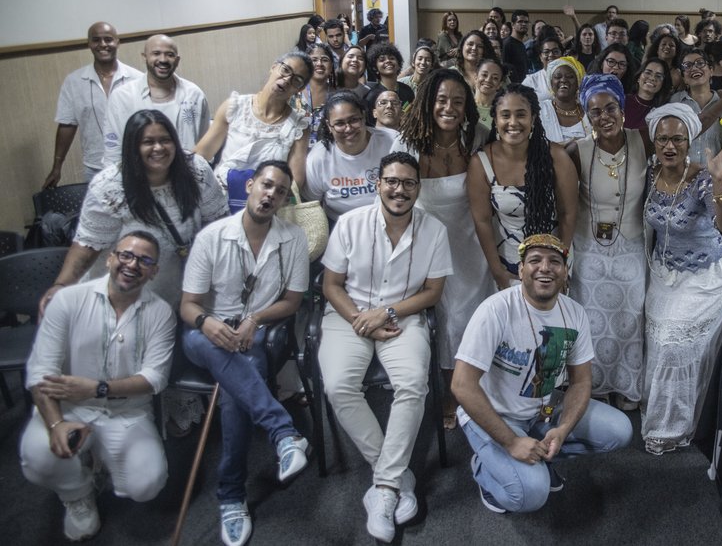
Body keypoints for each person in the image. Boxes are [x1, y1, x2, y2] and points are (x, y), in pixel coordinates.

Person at [319, 152, 453, 542]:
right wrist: (363, 319)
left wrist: (386, 312)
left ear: (418, 188)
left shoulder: (434, 230)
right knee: (338, 385)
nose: (399, 190)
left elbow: (433, 291)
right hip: (349, 316)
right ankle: (393, 480)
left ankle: (383, 488)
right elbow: (331, 285)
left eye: (408, 183)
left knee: (413, 383)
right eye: (392, 181)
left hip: (404, 316)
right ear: (378, 183)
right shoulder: (349, 224)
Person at [179, 161, 312, 546]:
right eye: (266, 185)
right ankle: (283, 433)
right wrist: (208, 323)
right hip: (205, 334)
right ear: (251, 186)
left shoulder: (293, 238)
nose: (271, 194)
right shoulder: (212, 236)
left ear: (286, 200)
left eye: (281, 191)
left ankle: (232, 496)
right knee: (229, 360)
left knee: (237, 391)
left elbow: (292, 301)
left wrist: (255, 319)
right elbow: (188, 305)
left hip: (255, 336)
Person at [451, 233, 633, 513]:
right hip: (494, 415)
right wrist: (511, 442)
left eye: (555, 262)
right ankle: (485, 472)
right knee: (531, 494)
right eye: (534, 260)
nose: (545, 268)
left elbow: (581, 381)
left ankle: (538, 454)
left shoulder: (574, 313)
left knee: (619, 431)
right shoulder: (496, 310)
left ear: (565, 272)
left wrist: (562, 430)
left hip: (541, 411)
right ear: (521, 269)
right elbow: (462, 386)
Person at [21, 231, 175, 542]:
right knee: (37, 459)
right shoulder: (67, 300)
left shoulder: (161, 312)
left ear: (154, 271)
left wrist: (96, 388)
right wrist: (56, 424)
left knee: (146, 485)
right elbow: (40, 373)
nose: (133, 264)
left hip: (126, 413)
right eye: (126, 255)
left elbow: (154, 379)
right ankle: (78, 494)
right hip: (69, 409)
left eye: (145, 260)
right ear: (110, 258)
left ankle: (101, 459)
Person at [41, 110, 226, 317]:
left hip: (177, 295)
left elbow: (218, 225)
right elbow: (86, 248)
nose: (158, 148)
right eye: (148, 142)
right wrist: (61, 285)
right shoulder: (110, 187)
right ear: (133, 148)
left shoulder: (195, 170)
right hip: (122, 301)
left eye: (165, 140)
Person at [391, 69, 493, 429]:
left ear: (467, 107)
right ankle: (446, 395)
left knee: (472, 319)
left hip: (472, 241)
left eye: (458, 101)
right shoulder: (408, 143)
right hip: (426, 244)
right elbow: (393, 199)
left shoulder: (477, 137)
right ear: (428, 102)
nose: (449, 107)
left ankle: (474, 391)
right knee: (443, 322)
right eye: (441, 100)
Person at [641, 105, 722, 455]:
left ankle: (675, 426)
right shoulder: (650, 173)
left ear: (690, 141)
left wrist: (718, 181)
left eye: (678, 139)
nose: (670, 146)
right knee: (657, 343)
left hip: (705, 277)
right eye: (663, 139)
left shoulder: (702, 177)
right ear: (654, 142)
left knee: (674, 344)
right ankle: (658, 412)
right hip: (664, 273)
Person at [566, 75, 650, 409]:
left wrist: (721, 101)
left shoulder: (643, 139)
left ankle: (627, 389)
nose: (604, 116)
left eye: (610, 108)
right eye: (595, 111)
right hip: (589, 253)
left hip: (631, 249)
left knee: (630, 321)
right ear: (587, 115)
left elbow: (687, 131)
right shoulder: (577, 150)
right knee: (593, 324)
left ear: (622, 108)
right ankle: (596, 389)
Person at [468, 84, 578, 290]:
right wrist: (497, 270)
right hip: (508, 264)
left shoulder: (556, 157)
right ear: (495, 119)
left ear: (533, 119)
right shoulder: (481, 162)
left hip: (553, 260)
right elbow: (482, 221)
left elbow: (568, 215)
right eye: (505, 115)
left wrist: (560, 263)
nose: (513, 123)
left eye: (521, 115)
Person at [194, 52, 312, 211]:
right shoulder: (234, 107)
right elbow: (200, 157)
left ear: (301, 88)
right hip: (221, 202)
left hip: (268, 208)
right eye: (285, 70)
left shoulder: (298, 127)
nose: (286, 80)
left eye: (296, 80)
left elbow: (295, 181)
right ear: (274, 67)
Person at [45, 22, 143, 187]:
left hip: (136, 164)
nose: (103, 44)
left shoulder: (137, 79)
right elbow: (67, 125)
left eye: (108, 39)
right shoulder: (74, 82)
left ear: (118, 42)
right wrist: (57, 166)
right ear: (89, 44)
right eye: (96, 40)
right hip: (95, 168)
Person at [102, 34, 210, 167]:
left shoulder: (194, 95)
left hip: (187, 176)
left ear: (177, 60)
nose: (163, 59)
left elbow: (206, 144)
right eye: (156, 53)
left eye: (169, 54)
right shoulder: (122, 97)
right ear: (144, 57)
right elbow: (113, 152)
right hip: (139, 179)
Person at [304, 92, 395, 222]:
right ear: (329, 126)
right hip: (339, 227)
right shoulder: (318, 158)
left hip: (390, 221)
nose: (348, 129)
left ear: (363, 116)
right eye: (340, 123)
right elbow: (312, 206)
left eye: (354, 120)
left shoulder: (392, 142)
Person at [669, 49, 722, 167]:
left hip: (715, 177)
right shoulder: (675, 102)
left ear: (711, 70)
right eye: (688, 66)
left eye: (700, 63)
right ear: (684, 78)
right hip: (681, 176)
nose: (694, 68)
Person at [290, 41, 335, 149]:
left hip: (326, 157)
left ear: (331, 65)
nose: (319, 63)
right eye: (314, 60)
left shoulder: (337, 97)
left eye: (324, 60)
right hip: (293, 154)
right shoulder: (292, 93)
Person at [539, 57, 589, 145]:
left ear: (578, 83)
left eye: (570, 76)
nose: (563, 80)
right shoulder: (540, 110)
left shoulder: (589, 112)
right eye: (557, 77)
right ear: (550, 83)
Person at [364, 43, 413, 114]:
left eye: (392, 58)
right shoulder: (371, 96)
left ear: (398, 65)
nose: (388, 61)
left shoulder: (407, 90)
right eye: (382, 60)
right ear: (375, 68)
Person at [624, 59, 673, 130]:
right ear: (638, 77)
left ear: (663, 84)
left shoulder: (663, 111)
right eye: (648, 73)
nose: (652, 78)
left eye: (658, 76)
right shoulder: (622, 101)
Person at [522, 35, 564, 101]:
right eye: (546, 52)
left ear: (561, 55)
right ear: (541, 57)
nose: (551, 55)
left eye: (555, 51)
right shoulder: (531, 80)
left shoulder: (571, 77)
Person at [473, 58, 505, 129]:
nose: (488, 80)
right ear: (475, 77)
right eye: (484, 75)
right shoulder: (464, 105)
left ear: (500, 84)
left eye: (495, 78)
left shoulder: (502, 111)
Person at [502, 10, 531, 83]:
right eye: (520, 21)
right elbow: (504, 68)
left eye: (526, 22)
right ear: (513, 25)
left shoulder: (521, 44)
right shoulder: (507, 43)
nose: (524, 24)